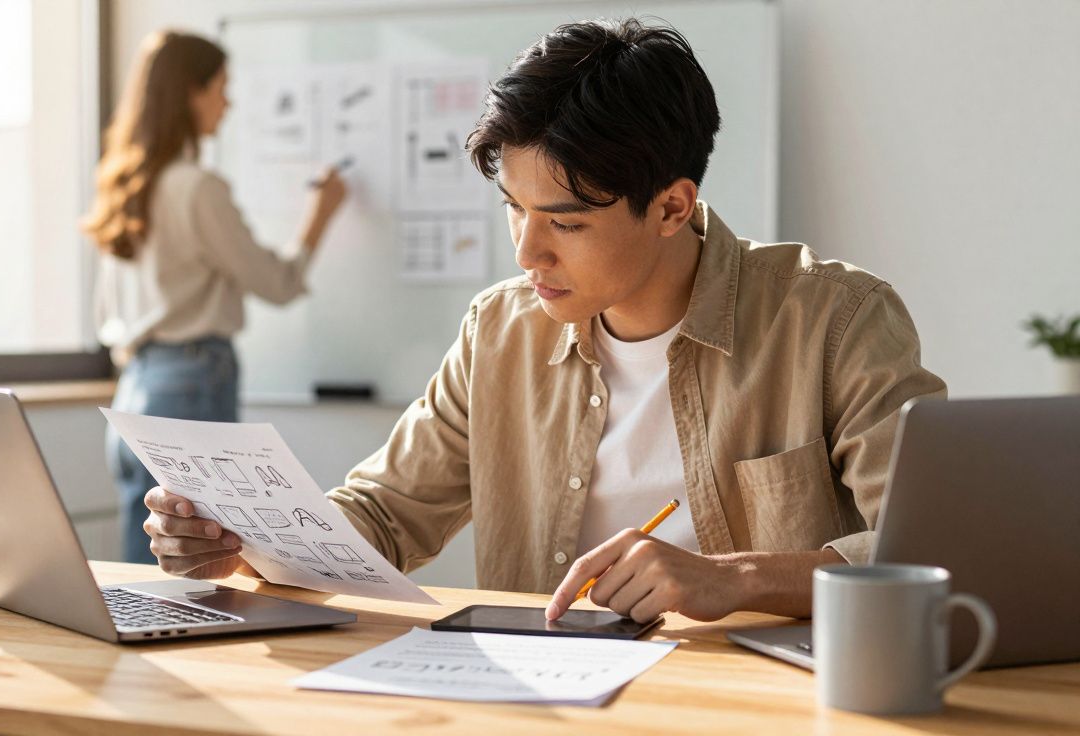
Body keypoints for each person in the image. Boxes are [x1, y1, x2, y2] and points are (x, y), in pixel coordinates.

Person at [137, 19, 947, 622]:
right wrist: (245, 541)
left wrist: (734, 577)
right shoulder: (500, 332)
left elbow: (942, 549)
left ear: (672, 207)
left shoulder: (834, 320)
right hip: (545, 701)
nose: (527, 252)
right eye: (513, 209)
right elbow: (382, 516)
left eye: (565, 221)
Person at [82, 31, 347, 563]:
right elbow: (277, 282)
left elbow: (106, 310)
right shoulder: (196, 188)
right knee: (195, 560)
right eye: (221, 88)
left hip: (134, 388)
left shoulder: (124, 186)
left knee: (149, 564)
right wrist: (320, 215)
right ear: (191, 91)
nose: (228, 103)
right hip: (191, 380)